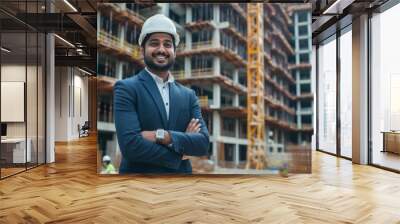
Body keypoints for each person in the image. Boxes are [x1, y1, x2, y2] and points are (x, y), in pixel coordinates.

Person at [114, 14, 210, 174]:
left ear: (174, 51)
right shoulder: (126, 89)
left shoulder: (189, 96)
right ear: (142, 50)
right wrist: (180, 153)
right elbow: (130, 146)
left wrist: (164, 136)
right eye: (154, 43)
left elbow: (203, 143)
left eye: (167, 44)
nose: (161, 49)